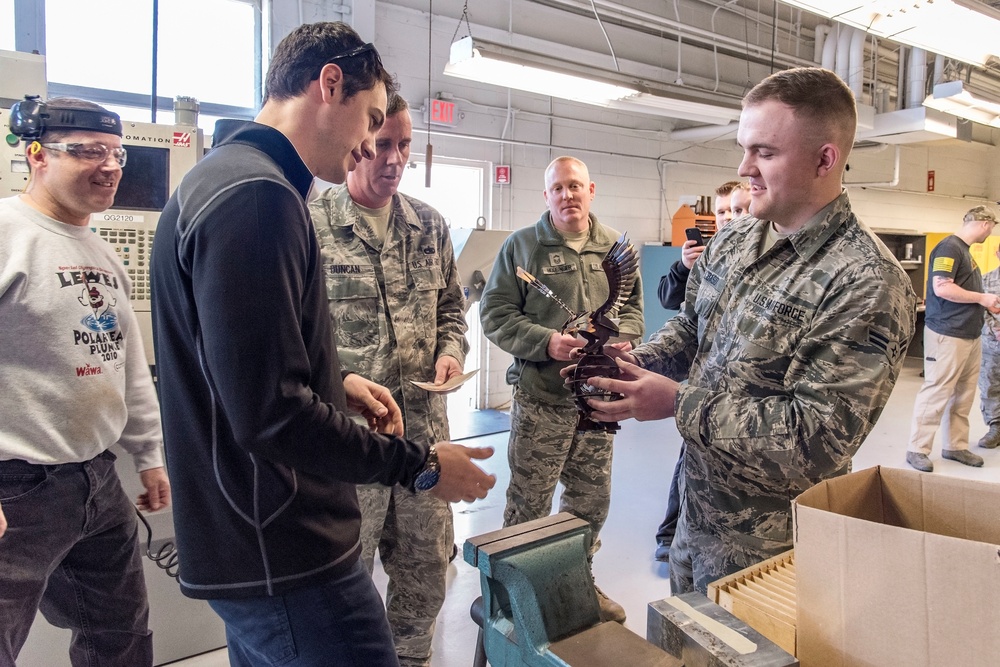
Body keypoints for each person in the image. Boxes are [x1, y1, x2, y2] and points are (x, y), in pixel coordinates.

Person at [150, 23, 496, 667]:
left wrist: (335, 382)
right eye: (369, 119)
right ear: (328, 84)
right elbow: (272, 413)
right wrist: (418, 464)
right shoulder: (259, 198)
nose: (371, 144)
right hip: (284, 545)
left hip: (250, 540)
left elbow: (237, 368)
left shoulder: (216, 180)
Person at [582, 67, 916, 594]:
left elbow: (817, 438)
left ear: (825, 158)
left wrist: (678, 403)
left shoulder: (866, 281)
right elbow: (692, 331)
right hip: (696, 518)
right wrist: (631, 365)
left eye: (765, 152)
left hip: (775, 551)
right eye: (744, 149)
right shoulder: (735, 243)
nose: (744, 168)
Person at [0, 96, 171, 666]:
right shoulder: (7, 233)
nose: (109, 166)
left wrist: (148, 454)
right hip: (17, 488)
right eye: (86, 151)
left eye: (116, 153)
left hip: (97, 482)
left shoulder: (99, 249)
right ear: (36, 156)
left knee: (120, 637)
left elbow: (125, 361)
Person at [309, 93, 467, 667]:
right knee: (344, 579)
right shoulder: (310, 225)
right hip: (351, 443)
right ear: (357, 142)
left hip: (425, 438)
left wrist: (450, 351)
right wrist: (342, 377)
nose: (395, 159)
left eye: (404, 145)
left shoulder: (429, 225)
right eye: (382, 144)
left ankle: (412, 657)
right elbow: (295, 340)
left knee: (426, 569)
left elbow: (452, 307)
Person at [479, 155, 643, 623]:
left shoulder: (614, 247)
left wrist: (619, 340)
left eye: (576, 186)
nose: (568, 195)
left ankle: (577, 585)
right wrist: (546, 342)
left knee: (590, 502)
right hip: (542, 403)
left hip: (597, 403)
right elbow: (495, 314)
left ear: (592, 191)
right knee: (529, 504)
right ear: (546, 195)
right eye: (558, 188)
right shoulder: (522, 247)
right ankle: (513, 599)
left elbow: (631, 311)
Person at [652, 178, 747, 563]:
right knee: (689, 456)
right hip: (703, 379)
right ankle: (670, 532)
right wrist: (683, 266)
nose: (730, 218)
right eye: (723, 213)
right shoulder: (708, 257)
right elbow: (673, 304)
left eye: (738, 210)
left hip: (739, 388)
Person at [906, 206, 1000, 472]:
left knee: (963, 394)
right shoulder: (950, 248)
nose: (992, 230)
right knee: (937, 391)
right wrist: (983, 298)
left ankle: (955, 446)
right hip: (948, 334)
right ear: (984, 224)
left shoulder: (964, 251)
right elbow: (942, 287)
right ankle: (917, 448)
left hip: (970, 334)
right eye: (993, 225)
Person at [979, 246, 1000, 450]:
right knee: (990, 384)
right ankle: (995, 427)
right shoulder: (985, 281)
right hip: (993, 343)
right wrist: (997, 330)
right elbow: (981, 311)